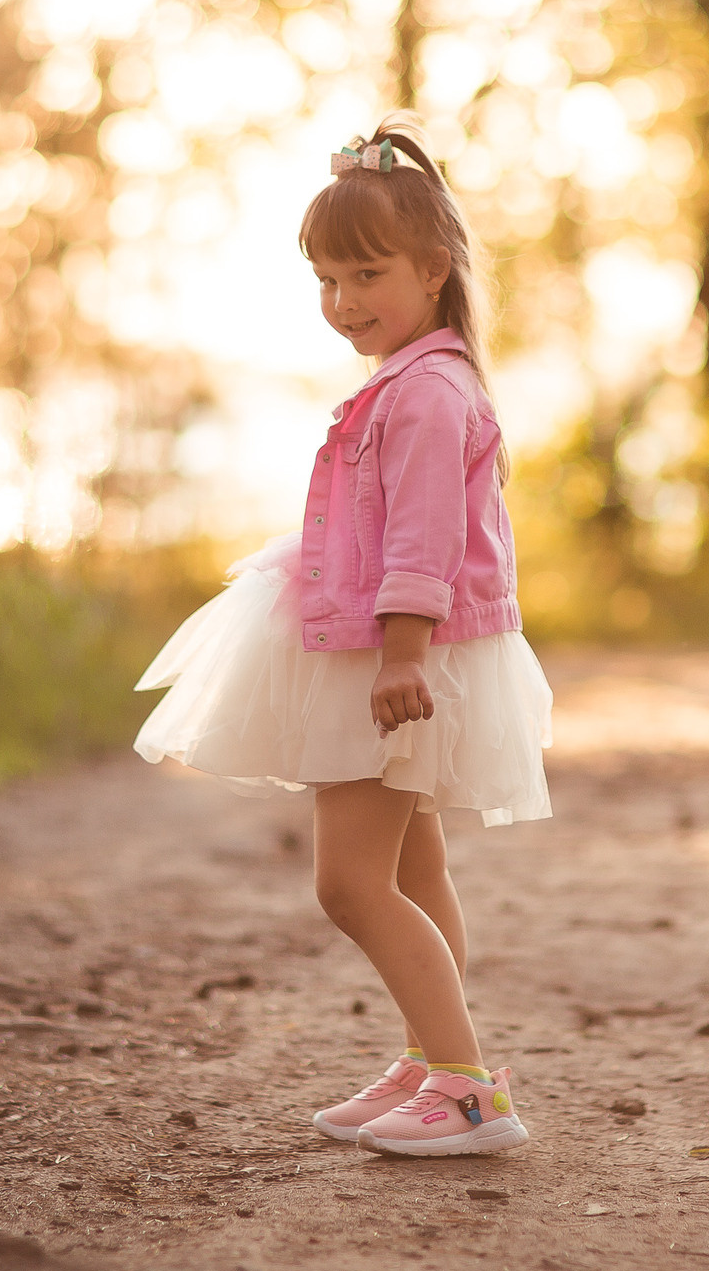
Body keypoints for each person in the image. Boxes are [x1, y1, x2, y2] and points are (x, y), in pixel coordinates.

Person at [133, 115, 551, 1157]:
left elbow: (423, 538)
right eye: (326, 280)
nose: (344, 302)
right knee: (413, 874)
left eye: (366, 275)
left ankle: (464, 1088)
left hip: (396, 654)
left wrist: (403, 655)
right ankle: (430, 1057)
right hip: (394, 650)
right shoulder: (417, 380)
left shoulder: (424, 394)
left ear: (434, 268)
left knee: (348, 882)